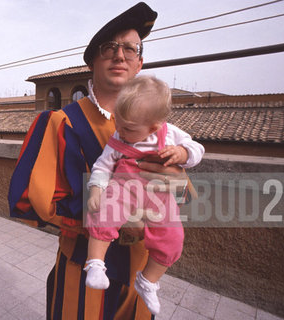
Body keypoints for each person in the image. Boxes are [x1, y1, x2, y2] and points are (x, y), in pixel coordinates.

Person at [8, 2, 189, 319]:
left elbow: (185, 197)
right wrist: (107, 217)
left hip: (139, 270)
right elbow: (29, 200)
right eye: (109, 48)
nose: (120, 55)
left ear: (139, 64)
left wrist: (176, 184)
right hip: (83, 268)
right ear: (92, 61)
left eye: (130, 49)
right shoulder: (59, 122)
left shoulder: (161, 130)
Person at [84, 75, 205, 314]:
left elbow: (197, 148)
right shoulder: (118, 138)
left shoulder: (169, 134)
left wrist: (182, 153)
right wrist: (96, 188)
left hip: (160, 196)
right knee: (103, 213)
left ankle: (148, 281)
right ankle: (95, 264)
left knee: (173, 238)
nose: (119, 131)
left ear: (154, 126)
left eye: (127, 128)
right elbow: (102, 166)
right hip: (124, 189)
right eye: (117, 122)